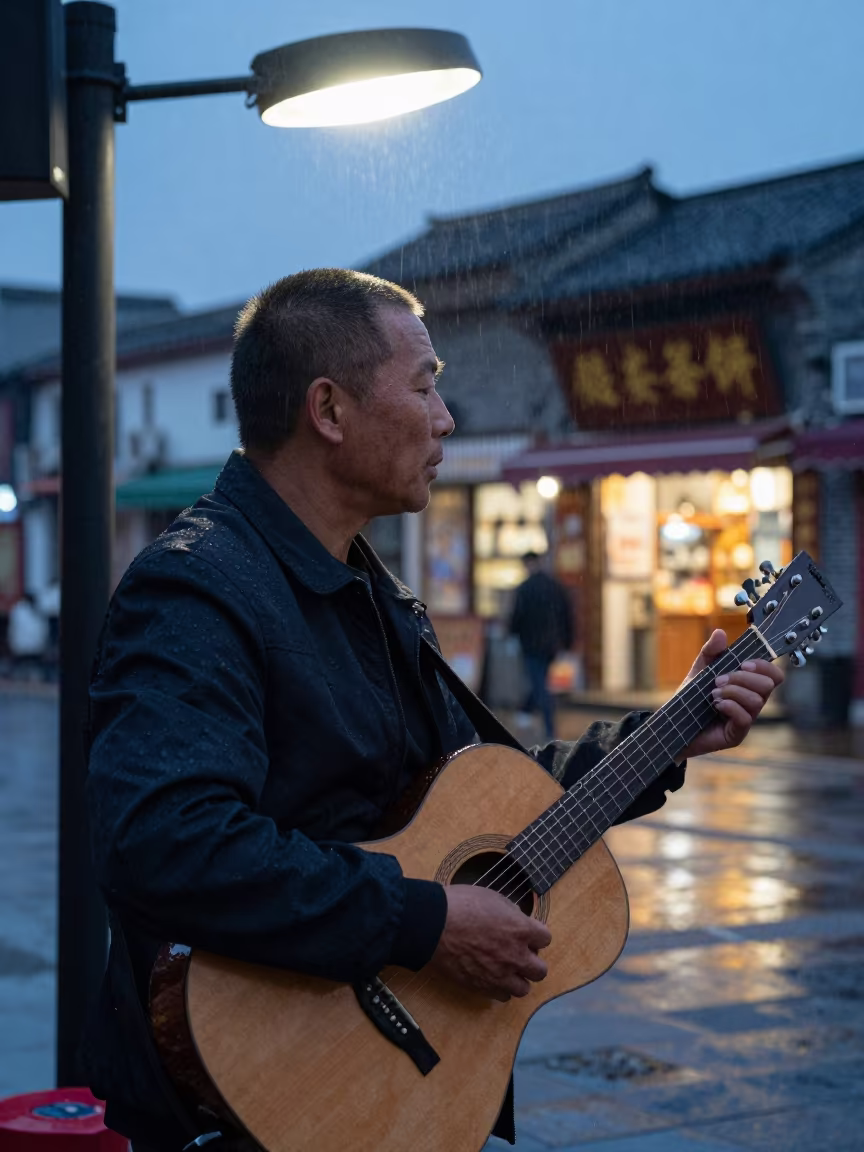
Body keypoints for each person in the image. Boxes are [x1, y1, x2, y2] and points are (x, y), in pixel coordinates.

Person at [82, 269, 783, 1151]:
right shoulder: (196, 585)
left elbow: (493, 804)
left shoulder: (372, 595)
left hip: (388, 1096)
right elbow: (162, 841)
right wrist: (427, 921)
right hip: (237, 1100)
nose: (447, 419)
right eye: (424, 385)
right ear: (329, 410)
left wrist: (674, 730)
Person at [510, 551, 574, 740]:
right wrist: (567, 641)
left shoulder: (525, 588)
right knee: (539, 680)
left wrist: (512, 633)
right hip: (551, 644)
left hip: (530, 644)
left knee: (539, 684)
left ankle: (548, 726)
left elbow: (516, 618)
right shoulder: (555, 586)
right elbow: (566, 615)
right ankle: (526, 712)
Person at [7, 592, 49, 680]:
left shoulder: (17, 609)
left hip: (20, 648)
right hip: (36, 649)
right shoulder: (40, 609)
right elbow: (45, 633)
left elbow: (11, 631)